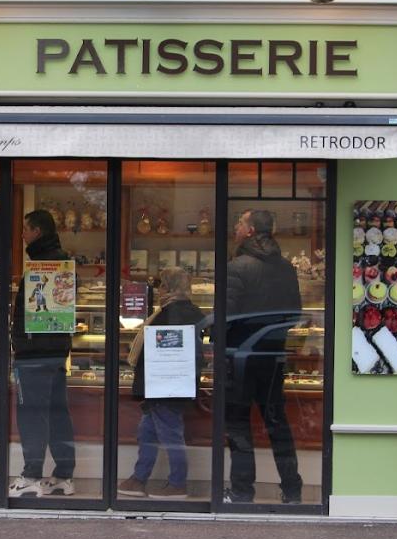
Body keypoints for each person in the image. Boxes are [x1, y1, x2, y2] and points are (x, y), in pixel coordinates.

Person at [225, 209, 304, 504]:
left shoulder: (236, 267)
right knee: (277, 423)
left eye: (239, 222)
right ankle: (292, 489)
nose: (235, 226)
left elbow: (228, 317)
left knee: (238, 423)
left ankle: (242, 491)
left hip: (241, 357)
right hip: (273, 356)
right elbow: (295, 314)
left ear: (249, 231)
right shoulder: (286, 268)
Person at [117, 267, 205, 500]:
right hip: (166, 385)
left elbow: (165, 354)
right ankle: (139, 479)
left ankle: (178, 483)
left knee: (171, 435)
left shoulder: (171, 313)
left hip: (165, 387)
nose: (158, 291)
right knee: (146, 433)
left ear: (169, 288)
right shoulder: (189, 311)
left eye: (162, 286)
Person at [9, 209, 76, 498]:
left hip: (33, 353)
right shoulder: (63, 262)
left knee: (32, 414)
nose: (23, 234)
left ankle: (31, 474)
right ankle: (63, 475)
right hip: (57, 353)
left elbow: (32, 311)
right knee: (57, 413)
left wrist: (20, 343)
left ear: (37, 231)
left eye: (26, 229)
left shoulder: (40, 265)